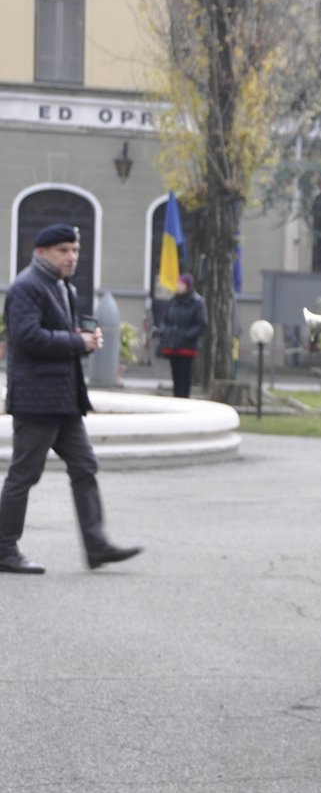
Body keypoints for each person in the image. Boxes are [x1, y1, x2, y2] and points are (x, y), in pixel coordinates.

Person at [0, 224, 142, 574]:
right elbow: (26, 336)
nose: (72, 256)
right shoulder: (27, 286)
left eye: (75, 250)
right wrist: (78, 342)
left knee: (84, 467)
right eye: (64, 250)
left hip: (62, 401)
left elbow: (50, 333)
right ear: (42, 252)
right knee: (24, 475)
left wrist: (79, 337)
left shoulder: (60, 285)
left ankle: (96, 546)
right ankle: (3, 549)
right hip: (37, 400)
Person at [157, 273, 207, 398]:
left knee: (185, 373)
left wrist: (186, 335)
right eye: (177, 284)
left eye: (181, 284)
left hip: (187, 346)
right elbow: (165, 320)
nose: (178, 287)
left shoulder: (197, 302)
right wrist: (165, 331)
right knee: (175, 373)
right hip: (173, 345)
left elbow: (201, 324)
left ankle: (184, 398)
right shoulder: (173, 301)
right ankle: (176, 397)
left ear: (187, 286)